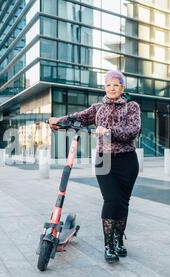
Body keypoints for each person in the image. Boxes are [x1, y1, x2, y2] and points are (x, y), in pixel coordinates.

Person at [48, 70, 141, 263]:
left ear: (122, 87)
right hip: (104, 159)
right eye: (109, 84)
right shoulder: (98, 108)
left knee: (123, 202)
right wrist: (59, 120)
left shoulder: (132, 106)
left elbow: (133, 131)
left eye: (116, 85)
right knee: (111, 200)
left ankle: (118, 239)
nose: (112, 88)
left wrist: (109, 131)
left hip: (127, 160)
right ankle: (108, 245)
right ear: (105, 87)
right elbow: (79, 117)